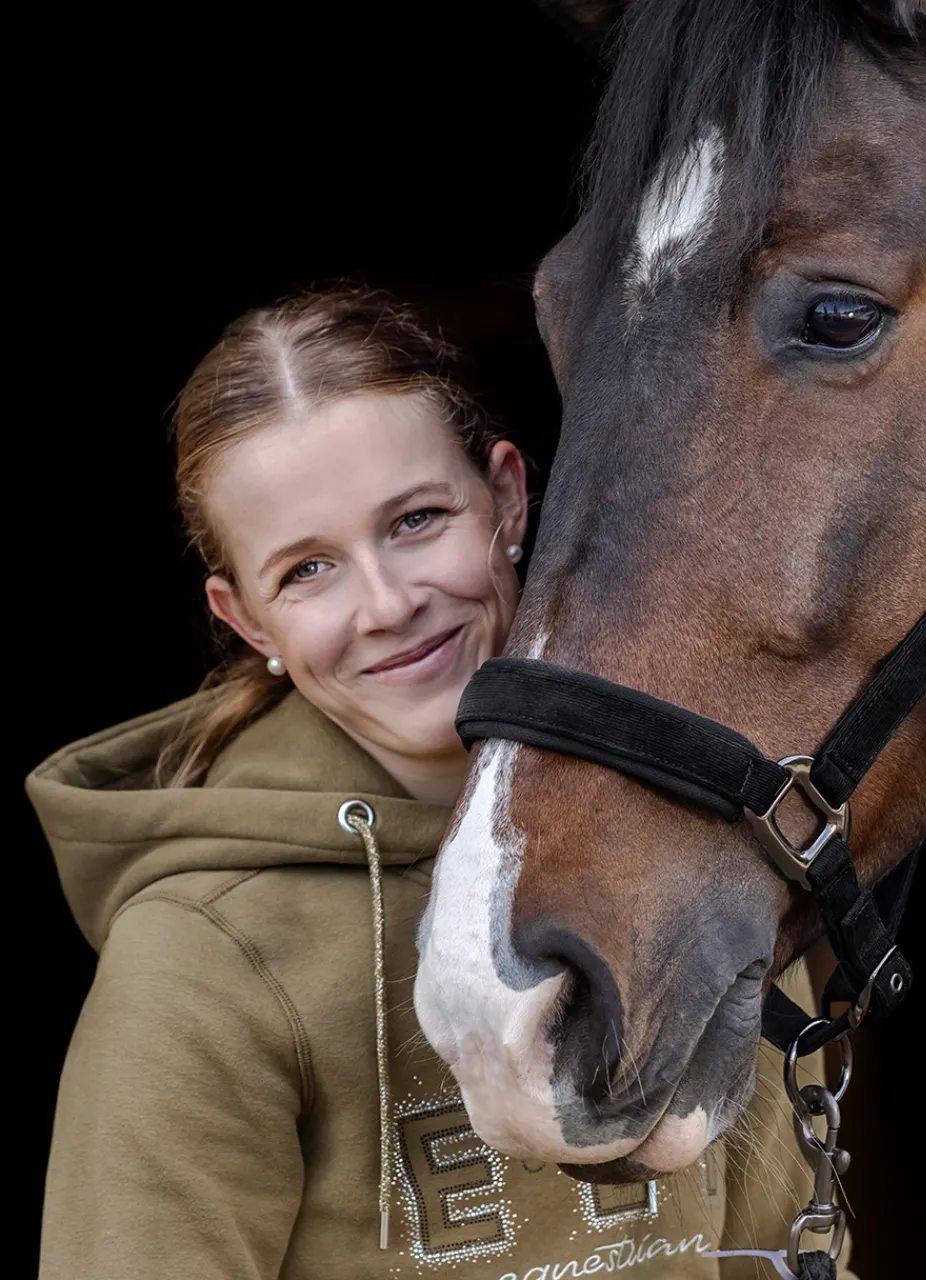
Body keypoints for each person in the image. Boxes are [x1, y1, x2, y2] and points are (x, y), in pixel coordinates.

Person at [29, 287, 851, 1280]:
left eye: (415, 520)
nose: (387, 604)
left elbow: (786, 1254)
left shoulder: (684, 837)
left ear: (505, 498)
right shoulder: (202, 958)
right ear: (246, 620)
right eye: (306, 570)